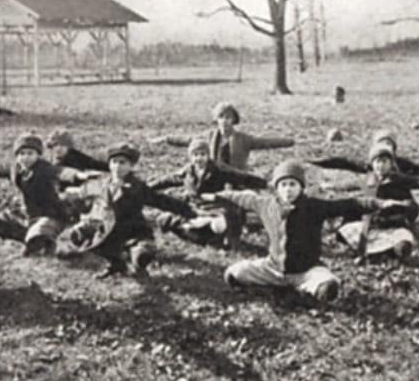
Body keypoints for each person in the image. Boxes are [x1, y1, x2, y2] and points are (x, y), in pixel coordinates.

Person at [204, 159, 392, 307]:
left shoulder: (313, 206)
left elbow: (348, 204)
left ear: (301, 187)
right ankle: (275, 288)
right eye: (283, 184)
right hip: (273, 268)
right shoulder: (266, 205)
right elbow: (244, 198)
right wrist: (218, 196)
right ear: (277, 188)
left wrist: (379, 204)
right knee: (233, 274)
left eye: (293, 184)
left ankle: (302, 290)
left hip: (306, 270)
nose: (288, 190)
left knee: (328, 287)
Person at [61, 142, 197, 278]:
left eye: (123, 163)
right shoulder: (102, 183)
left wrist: (188, 211)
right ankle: (116, 264)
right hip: (108, 230)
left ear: (131, 166)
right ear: (109, 164)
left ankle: (139, 265)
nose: (117, 167)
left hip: (133, 231)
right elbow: (86, 201)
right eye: (114, 162)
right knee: (79, 235)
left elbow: (160, 200)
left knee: (142, 255)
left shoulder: (137, 187)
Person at [0, 133, 95, 257]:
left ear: (38, 155)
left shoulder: (44, 168)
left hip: (49, 216)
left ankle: (43, 242)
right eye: (21, 153)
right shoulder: (15, 168)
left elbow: (60, 172)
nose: (25, 157)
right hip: (27, 216)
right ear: (17, 155)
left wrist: (77, 175)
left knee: (40, 231)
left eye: (30, 153)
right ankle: (32, 239)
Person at [151, 138, 268, 249]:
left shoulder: (218, 169)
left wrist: (265, 184)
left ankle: (215, 235)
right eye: (195, 155)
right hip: (194, 208)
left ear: (208, 155)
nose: (199, 158)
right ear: (191, 157)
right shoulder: (187, 171)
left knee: (219, 225)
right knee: (164, 220)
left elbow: (241, 177)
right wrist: (149, 186)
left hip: (214, 208)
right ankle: (200, 234)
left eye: (202, 154)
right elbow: (169, 180)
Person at [323, 142, 419, 264]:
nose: (380, 165)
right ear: (372, 164)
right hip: (369, 228)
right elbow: (359, 202)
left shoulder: (398, 183)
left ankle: (387, 251)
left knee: (402, 245)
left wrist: (398, 212)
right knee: (346, 232)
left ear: (391, 164)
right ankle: (373, 252)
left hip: (392, 227)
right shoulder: (368, 182)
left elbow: (412, 208)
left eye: (384, 161)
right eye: (377, 162)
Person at [152, 101, 294, 171]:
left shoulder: (243, 139)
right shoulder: (209, 136)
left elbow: (265, 142)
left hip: (237, 178)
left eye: (228, 117)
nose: (224, 121)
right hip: (215, 177)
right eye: (221, 117)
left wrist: (290, 141)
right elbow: (188, 140)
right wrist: (166, 139)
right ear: (216, 119)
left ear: (233, 120)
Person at [309, 129, 419, 183]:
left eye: (389, 143)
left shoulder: (402, 164)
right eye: (382, 143)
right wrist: (317, 162)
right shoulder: (368, 165)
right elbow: (343, 162)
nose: (386, 146)